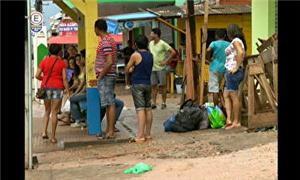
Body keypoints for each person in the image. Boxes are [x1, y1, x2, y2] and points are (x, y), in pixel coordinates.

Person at [35, 44, 70, 143]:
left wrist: (45, 79)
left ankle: (44, 132)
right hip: (58, 88)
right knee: (54, 112)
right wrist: (67, 89)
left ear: (49, 51)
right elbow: (64, 78)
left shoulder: (44, 61)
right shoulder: (62, 63)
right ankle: (53, 137)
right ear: (59, 52)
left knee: (47, 111)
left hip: (46, 88)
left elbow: (37, 75)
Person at [125, 35, 154, 143]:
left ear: (136, 45)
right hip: (148, 83)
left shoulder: (135, 55)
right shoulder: (150, 55)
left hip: (138, 84)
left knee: (140, 109)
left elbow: (127, 69)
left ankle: (140, 135)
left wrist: (132, 69)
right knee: (148, 108)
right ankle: (148, 134)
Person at [94, 19, 117, 139]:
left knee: (110, 103)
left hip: (106, 76)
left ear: (97, 28)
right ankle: (109, 130)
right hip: (109, 75)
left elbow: (109, 62)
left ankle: (110, 131)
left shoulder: (105, 42)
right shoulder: (110, 40)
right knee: (108, 103)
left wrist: (101, 75)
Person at [223, 24, 247, 130]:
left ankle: (236, 122)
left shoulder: (236, 40)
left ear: (230, 32)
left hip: (234, 72)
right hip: (231, 72)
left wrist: (236, 67)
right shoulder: (238, 40)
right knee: (227, 94)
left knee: (234, 97)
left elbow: (241, 53)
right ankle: (230, 119)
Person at [149, 28, 176, 109]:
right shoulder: (150, 43)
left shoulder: (163, 43)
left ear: (156, 35)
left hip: (161, 68)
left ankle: (163, 103)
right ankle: (154, 103)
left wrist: (166, 61)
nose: (150, 35)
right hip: (152, 68)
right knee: (153, 86)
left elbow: (173, 52)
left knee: (162, 86)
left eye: (151, 33)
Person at [206, 30, 230, 106]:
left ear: (216, 36)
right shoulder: (228, 44)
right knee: (221, 88)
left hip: (214, 68)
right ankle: (224, 105)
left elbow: (208, 50)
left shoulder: (213, 43)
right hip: (224, 68)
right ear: (225, 36)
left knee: (214, 90)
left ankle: (216, 107)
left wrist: (208, 58)